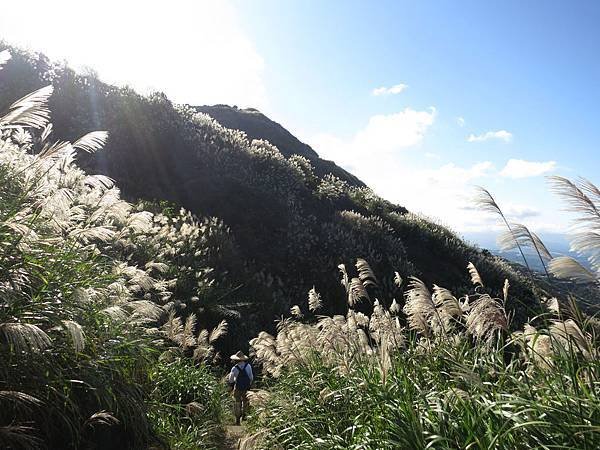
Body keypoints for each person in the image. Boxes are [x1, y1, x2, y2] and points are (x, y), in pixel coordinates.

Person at [227, 351, 253, 425]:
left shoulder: (234, 368)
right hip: (246, 387)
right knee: (246, 402)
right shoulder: (248, 366)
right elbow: (251, 377)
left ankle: (238, 419)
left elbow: (230, 380)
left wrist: (235, 380)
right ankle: (245, 416)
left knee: (237, 402)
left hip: (238, 387)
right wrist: (249, 384)